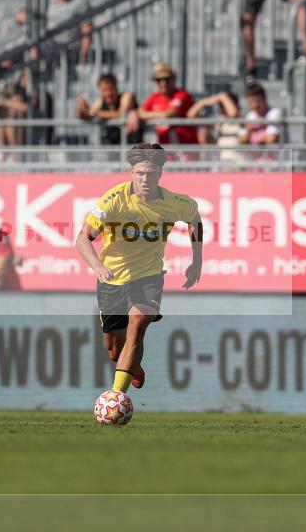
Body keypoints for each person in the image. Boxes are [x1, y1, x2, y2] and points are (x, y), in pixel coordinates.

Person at [74, 143, 202, 395]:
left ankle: (116, 395)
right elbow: (82, 239)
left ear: (160, 173)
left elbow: (194, 219)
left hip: (148, 277)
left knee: (138, 324)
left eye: (151, 173)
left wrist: (197, 261)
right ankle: (133, 367)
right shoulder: (113, 200)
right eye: (140, 173)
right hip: (112, 279)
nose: (145, 179)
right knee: (114, 350)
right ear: (131, 172)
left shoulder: (175, 202)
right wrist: (98, 266)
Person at [137, 62, 204, 144]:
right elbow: (140, 113)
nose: (163, 83)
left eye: (166, 79)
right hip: (165, 148)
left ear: (174, 79)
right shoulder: (154, 97)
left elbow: (169, 114)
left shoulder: (182, 95)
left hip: (185, 147)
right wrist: (159, 115)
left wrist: (150, 115)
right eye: (159, 80)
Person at [76, 74, 141, 145]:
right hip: (113, 148)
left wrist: (92, 112)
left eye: (111, 89)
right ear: (100, 90)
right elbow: (87, 115)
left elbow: (121, 114)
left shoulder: (126, 96)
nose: (108, 94)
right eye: (104, 90)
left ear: (116, 87)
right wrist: (82, 109)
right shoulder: (101, 101)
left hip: (133, 147)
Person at [47, 0, 92, 64]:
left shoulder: (79, 2)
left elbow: (87, 29)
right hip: (49, 43)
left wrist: (85, 53)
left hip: (68, 45)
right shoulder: (50, 0)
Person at [186, 91, 244, 160]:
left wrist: (223, 96)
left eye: (224, 105)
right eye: (221, 105)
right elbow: (190, 116)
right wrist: (204, 102)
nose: (222, 108)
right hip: (222, 161)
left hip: (238, 161)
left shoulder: (241, 119)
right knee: (203, 131)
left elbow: (233, 114)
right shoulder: (218, 121)